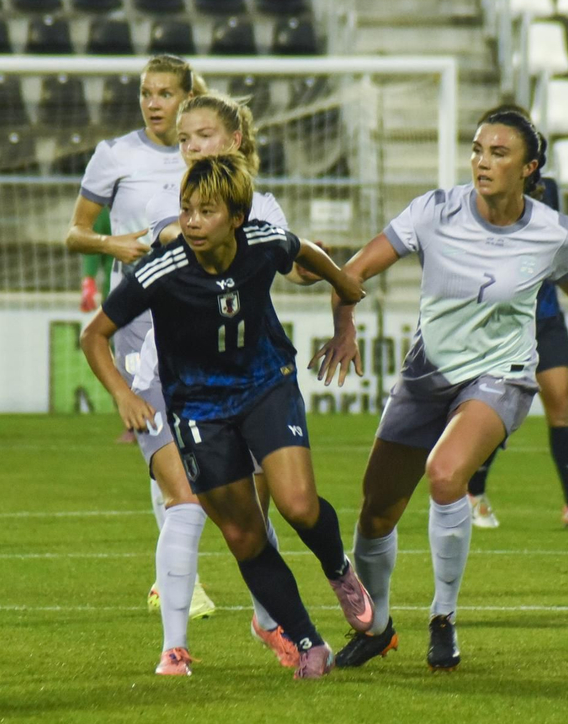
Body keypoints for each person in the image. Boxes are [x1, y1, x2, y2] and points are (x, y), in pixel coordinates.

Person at [312, 107, 568, 671]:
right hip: (427, 376)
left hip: (502, 376)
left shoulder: (554, 231)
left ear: (529, 167)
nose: (482, 162)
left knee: (446, 474)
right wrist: (344, 326)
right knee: (374, 514)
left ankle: (443, 619)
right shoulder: (435, 210)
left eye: (498, 153)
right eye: (477, 150)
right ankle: (375, 628)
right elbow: (351, 272)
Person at [81, 153, 372, 679]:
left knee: (299, 505)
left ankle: (339, 570)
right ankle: (309, 642)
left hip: (265, 386)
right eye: (186, 209)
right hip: (198, 409)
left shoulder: (262, 242)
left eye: (205, 211)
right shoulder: (161, 270)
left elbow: (305, 251)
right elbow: (93, 334)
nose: (191, 221)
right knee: (244, 534)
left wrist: (345, 294)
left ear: (236, 217)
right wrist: (123, 394)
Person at [135, 91, 320, 668]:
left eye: (202, 136)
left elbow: (288, 265)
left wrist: (330, 281)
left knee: (257, 518)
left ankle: (271, 622)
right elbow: (160, 245)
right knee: (185, 503)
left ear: (234, 140)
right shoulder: (174, 203)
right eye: (184, 139)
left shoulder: (263, 208)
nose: (189, 147)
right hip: (169, 376)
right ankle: (174, 648)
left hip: (245, 380)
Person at [64, 54, 218, 620]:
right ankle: (178, 580)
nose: (153, 104)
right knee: (164, 441)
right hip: (138, 318)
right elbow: (75, 233)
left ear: (186, 96)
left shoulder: (205, 154)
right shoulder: (115, 156)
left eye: (164, 94)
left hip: (199, 315)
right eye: (146, 94)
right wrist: (114, 245)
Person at [464, 174, 568, 531]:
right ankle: (473, 492)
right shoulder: (485, 194)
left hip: (545, 315)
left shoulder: (551, 189)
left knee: (561, 401)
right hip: (506, 319)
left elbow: (558, 245)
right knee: (500, 409)